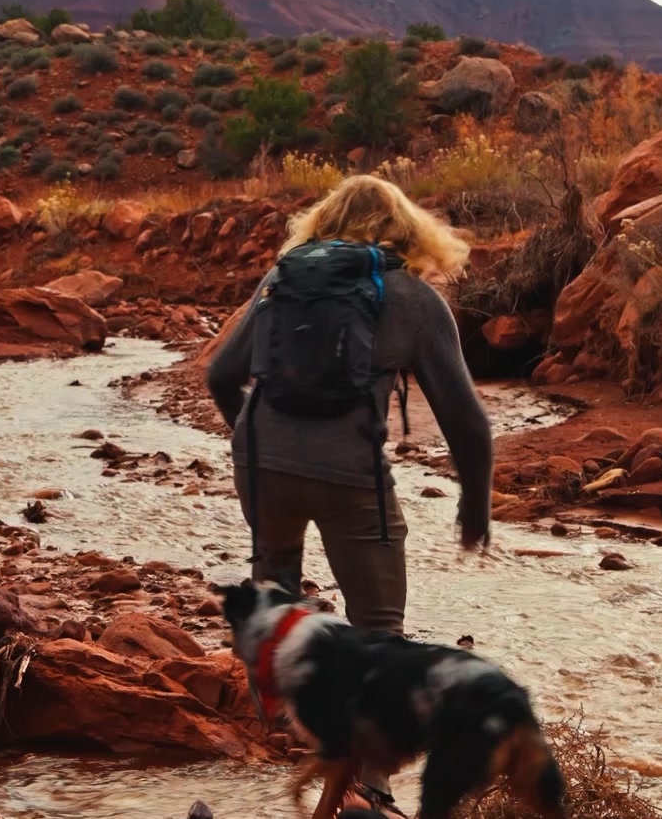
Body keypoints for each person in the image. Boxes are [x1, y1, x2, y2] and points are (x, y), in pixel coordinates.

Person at [206, 174, 493, 816]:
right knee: (379, 627)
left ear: (321, 224)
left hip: (262, 462)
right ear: (410, 233)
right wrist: (475, 506)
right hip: (351, 476)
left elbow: (222, 375)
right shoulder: (415, 298)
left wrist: (259, 449)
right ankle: (370, 791)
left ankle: (295, 747)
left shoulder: (280, 279)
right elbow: (468, 422)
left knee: (275, 606)